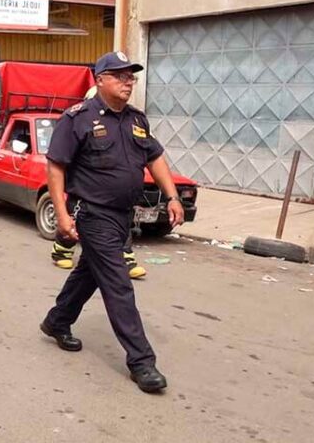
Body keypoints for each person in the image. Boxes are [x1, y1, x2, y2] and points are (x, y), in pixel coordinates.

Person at [39, 52, 185, 394]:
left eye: (131, 76)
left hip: (123, 215)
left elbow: (155, 157)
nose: (127, 81)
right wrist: (61, 213)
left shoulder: (137, 119)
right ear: (99, 80)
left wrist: (173, 196)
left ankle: (57, 321)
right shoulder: (77, 118)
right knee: (118, 283)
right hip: (92, 213)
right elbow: (56, 167)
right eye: (119, 76)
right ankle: (141, 361)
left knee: (89, 272)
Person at [51, 84, 147, 280]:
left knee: (89, 270)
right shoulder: (77, 120)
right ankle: (61, 250)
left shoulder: (130, 120)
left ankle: (125, 256)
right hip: (85, 198)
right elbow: (57, 163)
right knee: (72, 227)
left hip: (117, 203)